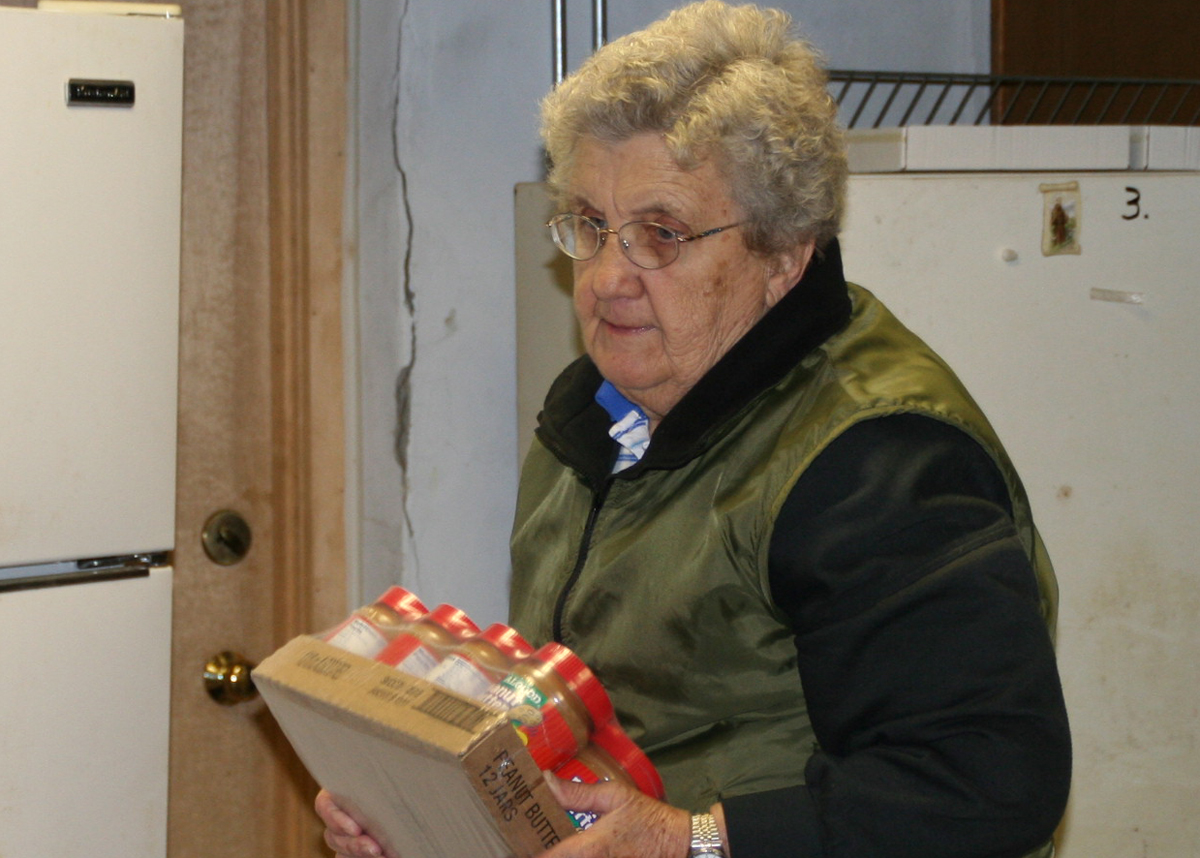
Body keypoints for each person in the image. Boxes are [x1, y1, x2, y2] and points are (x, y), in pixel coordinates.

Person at [318, 2, 1071, 856]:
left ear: (784, 254)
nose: (605, 280)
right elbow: (592, 717)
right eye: (592, 228)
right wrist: (430, 808)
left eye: (661, 235)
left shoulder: (875, 461)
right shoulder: (596, 412)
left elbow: (987, 783)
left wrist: (697, 843)